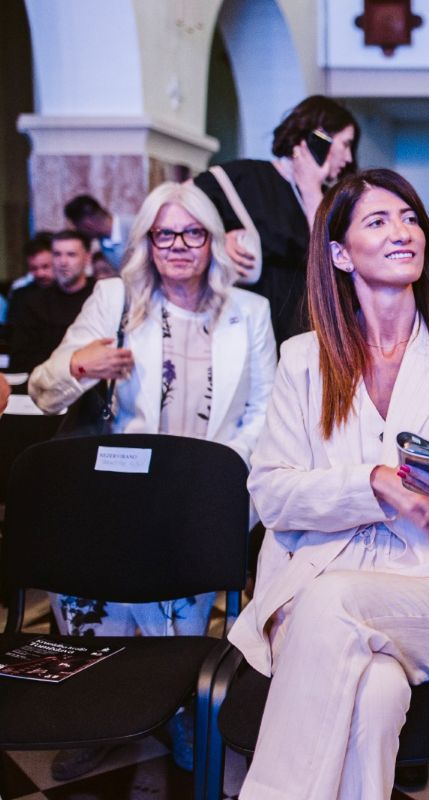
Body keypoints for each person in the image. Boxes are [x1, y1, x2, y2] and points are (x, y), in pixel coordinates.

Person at [227, 168, 429, 800]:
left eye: (410, 219)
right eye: (379, 221)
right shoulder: (304, 359)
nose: (402, 232)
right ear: (339, 253)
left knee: (335, 603)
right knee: (377, 691)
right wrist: (375, 483)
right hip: (314, 580)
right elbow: (271, 493)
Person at [28, 181, 276, 778]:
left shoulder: (249, 312)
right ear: (146, 241)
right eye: (165, 234)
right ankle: (94, 718)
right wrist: (81, 365)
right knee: (100, 623)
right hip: (111, 499)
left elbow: (263, 414)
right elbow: (43, 388)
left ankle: (178, 711)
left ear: (212, 241)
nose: (179, 246)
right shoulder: (115, 299)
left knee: (176, 627)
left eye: (193, 233)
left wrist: (214, 482)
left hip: (196, 501)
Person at [194, 95, 358, 344]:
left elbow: (327, 260)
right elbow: (179, 204)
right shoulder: (247, 177)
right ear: (319, 137)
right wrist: (216, 239)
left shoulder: (329, 198)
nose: (348, 158)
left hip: (304, 329)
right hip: (244, 325)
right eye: (345, 144)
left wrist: (311, 189)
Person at [8, 231, 95, 373]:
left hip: (94, 380)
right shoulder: (33, 301)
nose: (63, 262)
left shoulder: (99, 296)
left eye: (71, 254)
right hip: (45, 380)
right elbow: (20, 359)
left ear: (87, 258)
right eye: (57, 254)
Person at [64, 193, 130, 268]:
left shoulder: (134, 228)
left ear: (88, 225)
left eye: (78, 228)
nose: (80, 233)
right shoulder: (103, 241)